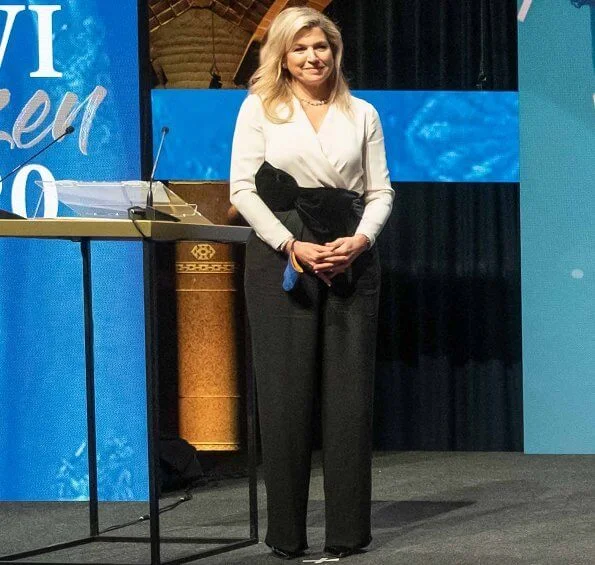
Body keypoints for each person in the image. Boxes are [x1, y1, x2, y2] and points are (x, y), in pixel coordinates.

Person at [229, 6, 394, 560]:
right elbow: (242, 191)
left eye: (320, 47)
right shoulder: (259, 109)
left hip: (350, 254)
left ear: (334, 51)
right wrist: (291, 246)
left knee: (349, 403)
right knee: (284, 398)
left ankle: (347, 535)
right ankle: (286, 537)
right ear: (282, 56)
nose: (312, 57)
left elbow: (380, 193)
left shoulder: (362, 112)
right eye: (299, 49)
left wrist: (362, 241)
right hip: (283, 255)